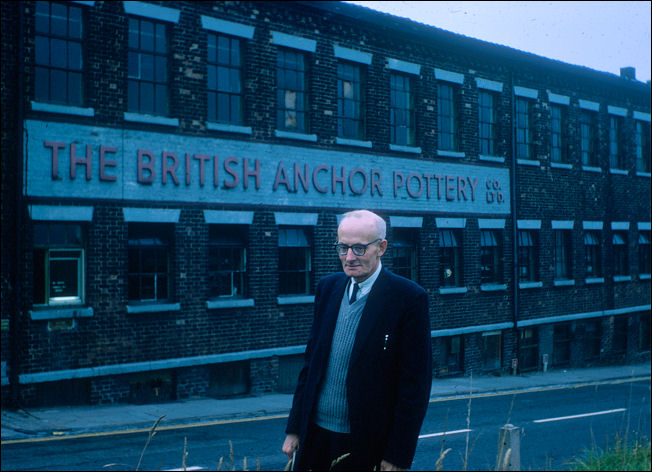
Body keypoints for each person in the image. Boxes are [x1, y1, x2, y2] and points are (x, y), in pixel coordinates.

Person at [282, 210, 432, 471]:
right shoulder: (327, 288)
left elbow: (414, 387)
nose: (349, 257)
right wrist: (294, 428)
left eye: (359, 248)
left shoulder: (408, 299)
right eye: (343, 247)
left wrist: (397, 454)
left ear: (381, 247)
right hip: (315, 436)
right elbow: (311, 365)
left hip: (365, 443)